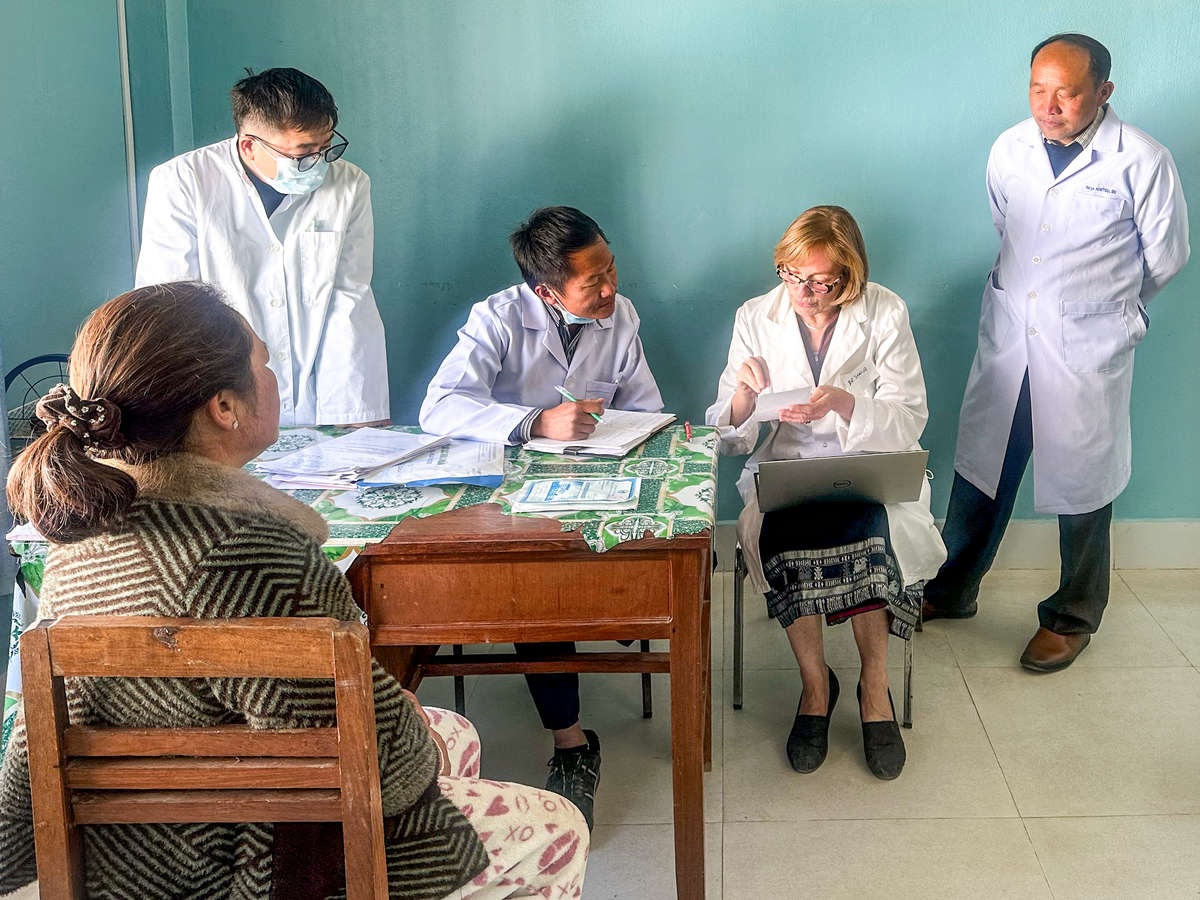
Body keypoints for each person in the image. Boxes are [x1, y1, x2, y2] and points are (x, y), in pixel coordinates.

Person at [0, 283, 588, 900]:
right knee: (555, 825)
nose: (274, 378)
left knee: (453, 730)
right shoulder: (252, 553)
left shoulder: (82, 530)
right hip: (236, 867)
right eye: (265, 364)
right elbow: (380, 767)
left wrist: (397, 715)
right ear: (224, 407)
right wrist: (404, 727)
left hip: (123, 851)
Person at [922, 34, 1190, 672]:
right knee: (983, 467)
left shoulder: (1143, 161)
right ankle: (952, 588)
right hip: (1011, 337)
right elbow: (1008, 227)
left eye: (1066, 92)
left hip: (1085, 347)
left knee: (1082, 481)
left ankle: (1072, 616)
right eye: (1038, 90)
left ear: (1103, 91)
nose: (1049, 105)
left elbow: (1167, 258)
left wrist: (1100, 311)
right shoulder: (1009, 148)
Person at [420, 206, 664, 826]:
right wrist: (534, 423)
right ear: (547, 291)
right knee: (538, 583)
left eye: (611, 269)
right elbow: (439, 407)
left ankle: (609, 621)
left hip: (597, 481)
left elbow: (646, 408)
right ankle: (572, 741)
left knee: (633, 572)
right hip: (515, 496)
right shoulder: (498, 318)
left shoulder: (622, 315)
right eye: (593, 282)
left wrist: (621, 429)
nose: (610, 289)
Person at [707, 206, 945, 780]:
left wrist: (845, 404)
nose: (803, 293)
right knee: (785, 538)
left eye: (821, 282)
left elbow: (910, 418)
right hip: (787, 467)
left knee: (870, 538)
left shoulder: (885, 312)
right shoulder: (755, 317)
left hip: (869, 466)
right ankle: (816, 687)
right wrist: (742, 398)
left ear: (850, 276)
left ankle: (874, 688)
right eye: (792, 276)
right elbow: (728, 436)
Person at [136, 67, 389, 428]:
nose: (318, 163)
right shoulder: (183, 182)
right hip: (218, 392)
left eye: (326, 147)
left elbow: (348, 299)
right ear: (249, 146)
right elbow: (173, 306)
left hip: (316, 397)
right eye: (303, 153)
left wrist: (353, 414)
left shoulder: (350, 184)